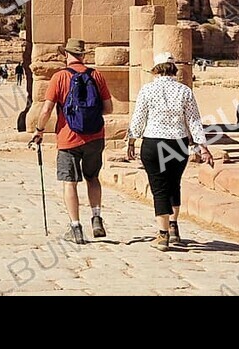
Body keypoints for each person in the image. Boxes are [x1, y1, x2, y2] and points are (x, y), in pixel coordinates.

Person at [126, 52, 214, 251]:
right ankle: (173, 227)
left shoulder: (147, 90)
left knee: (159, 188)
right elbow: (194, 121)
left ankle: (163, 234)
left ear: (156, 69)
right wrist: (203, 146)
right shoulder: (185, 91)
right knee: (174, 184)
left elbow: (138, 120)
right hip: (177, 144)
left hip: (154, 143)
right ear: (174, 69)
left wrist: (131, 141)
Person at [31, 39, 112, 244]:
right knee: (92, 178)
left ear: (66, 54)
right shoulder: (96, 75)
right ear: (83, 55)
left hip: (68, 138)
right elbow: (109, 108)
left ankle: (76, 227)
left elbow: (47, 110)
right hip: (95, 136)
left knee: (70, 183)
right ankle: (96, 217)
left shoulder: (59, 77)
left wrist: (39, 131)